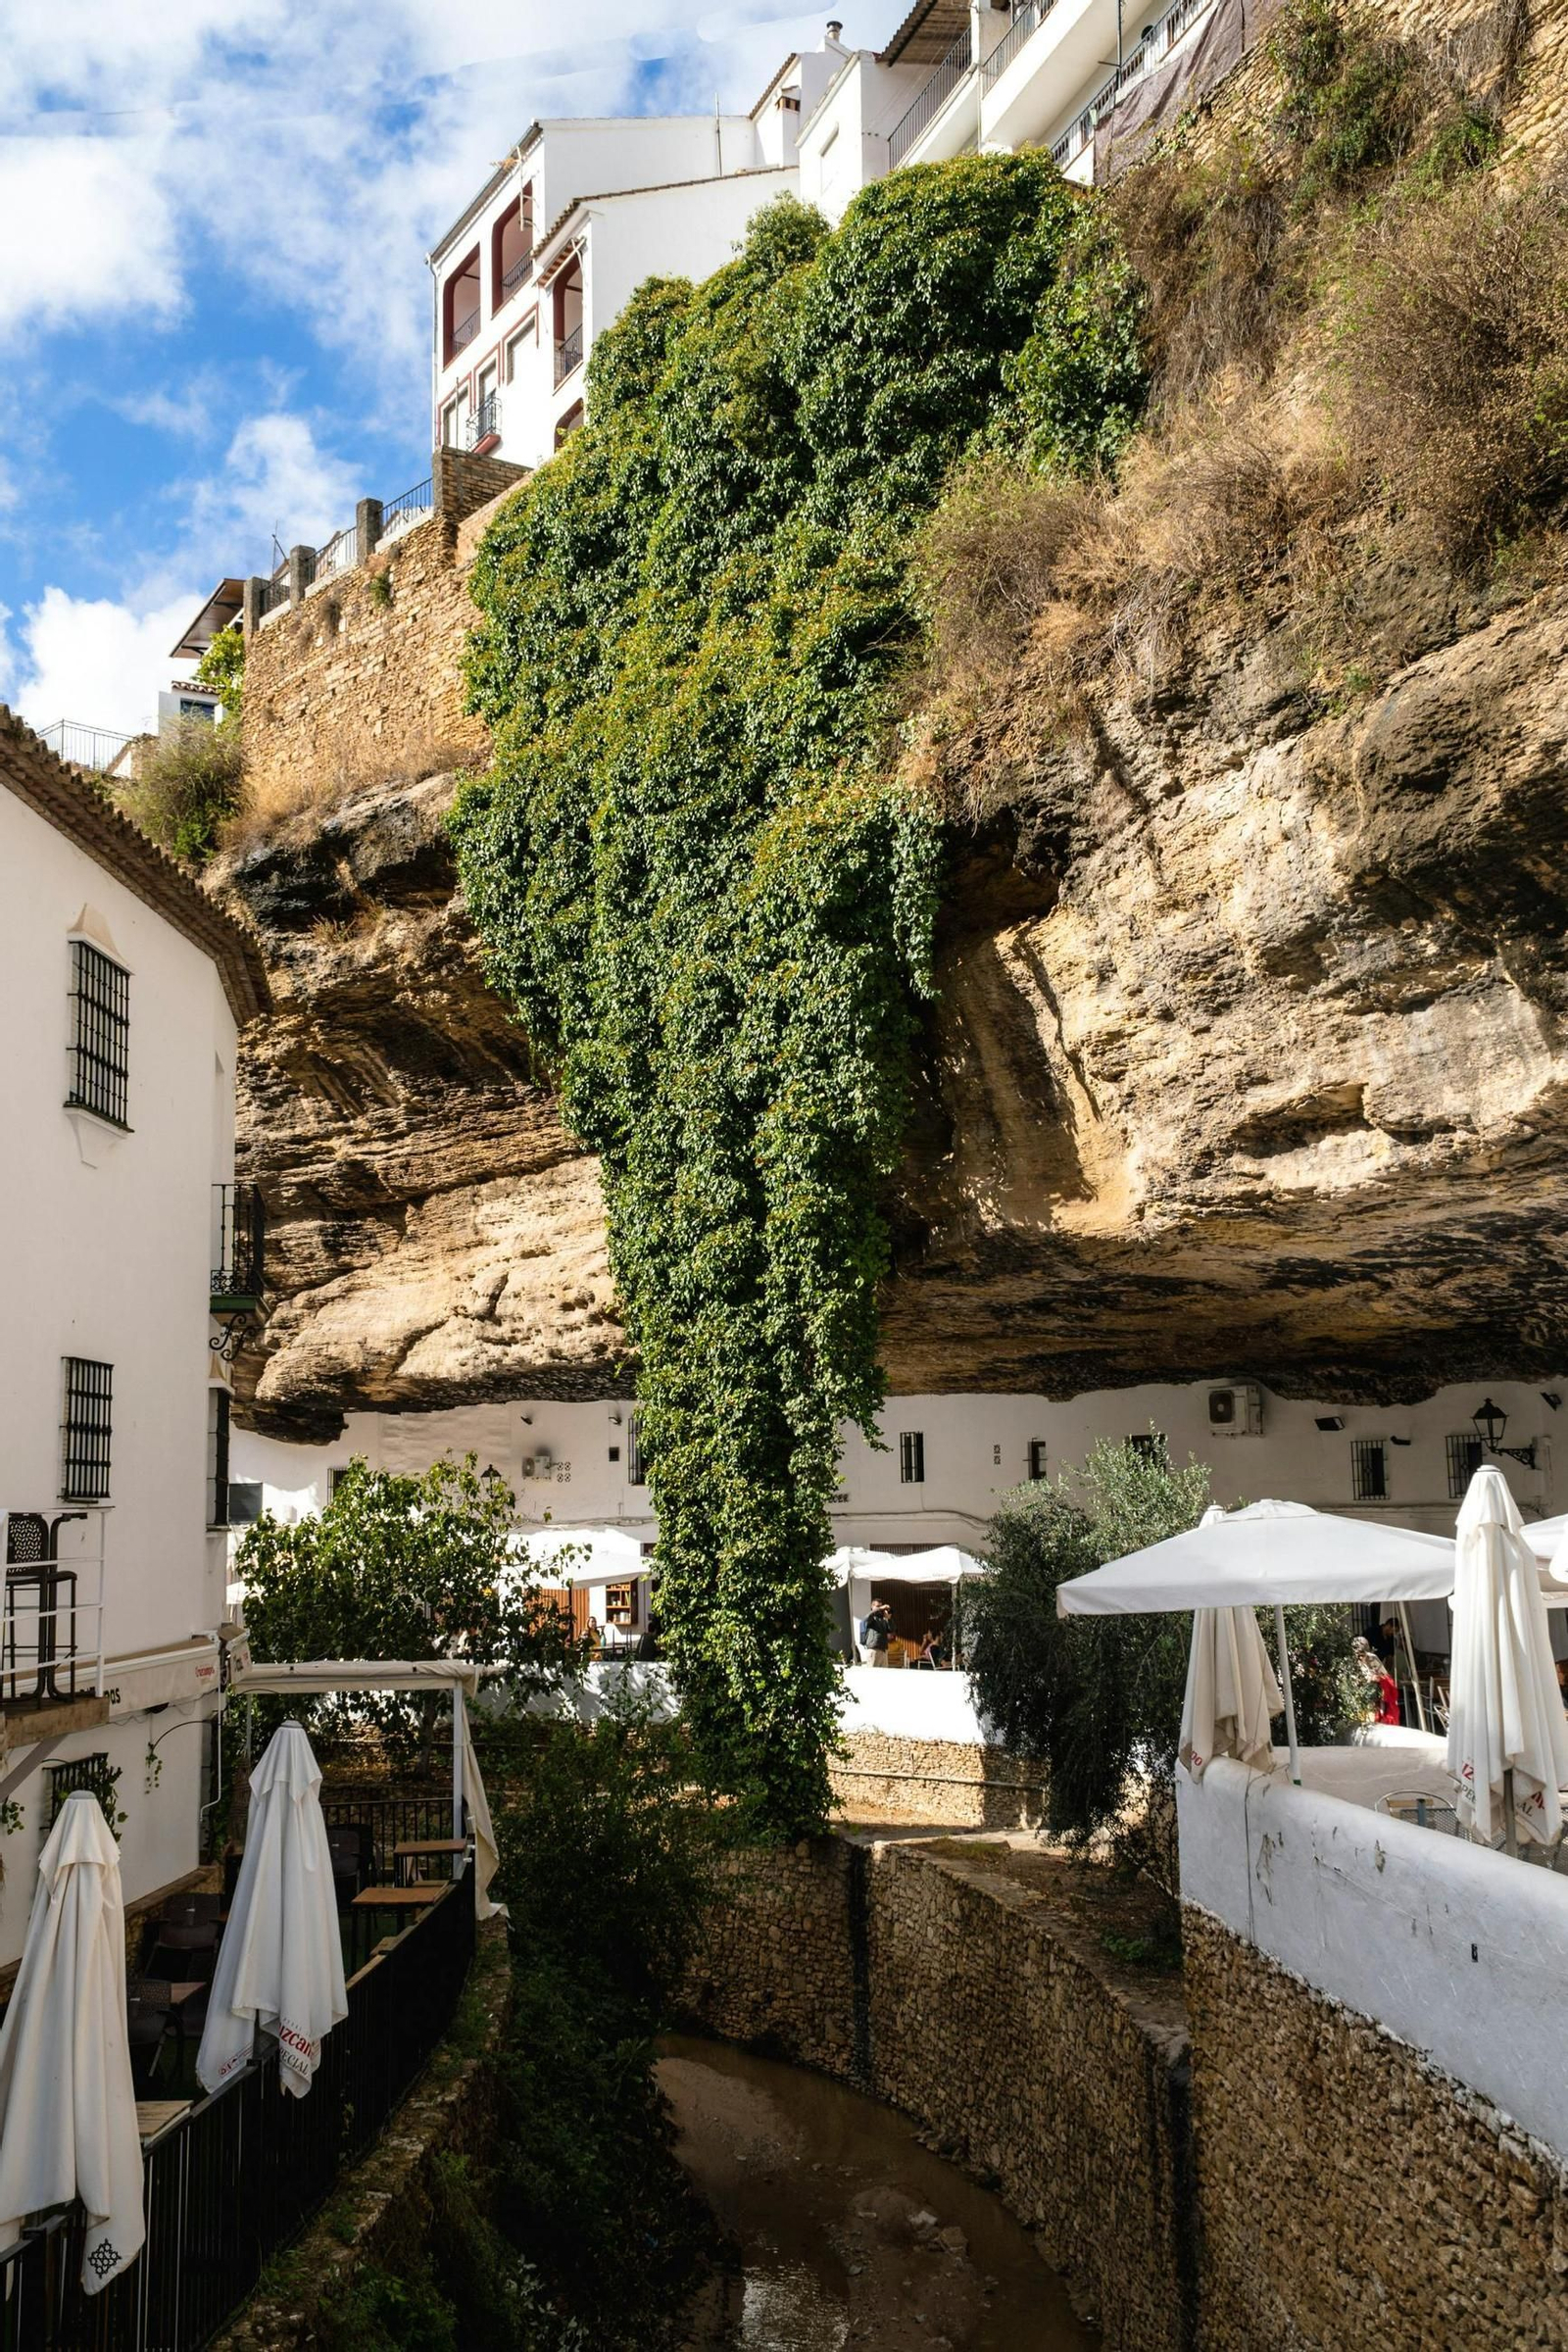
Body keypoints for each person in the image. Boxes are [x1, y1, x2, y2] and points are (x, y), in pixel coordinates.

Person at [859, 1599, 893, 1667]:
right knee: (872, 1673)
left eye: (880, 1606)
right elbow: (867, 1617)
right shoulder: (871, 1618)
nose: (880, 1609)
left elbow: (891, 1629)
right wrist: (881, 1608)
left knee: (884, 1674)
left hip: (883, 1649)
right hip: (874, 1648)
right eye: (877, 1606)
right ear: (872, 1607)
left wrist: (889, 1619)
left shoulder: (883, 1619)